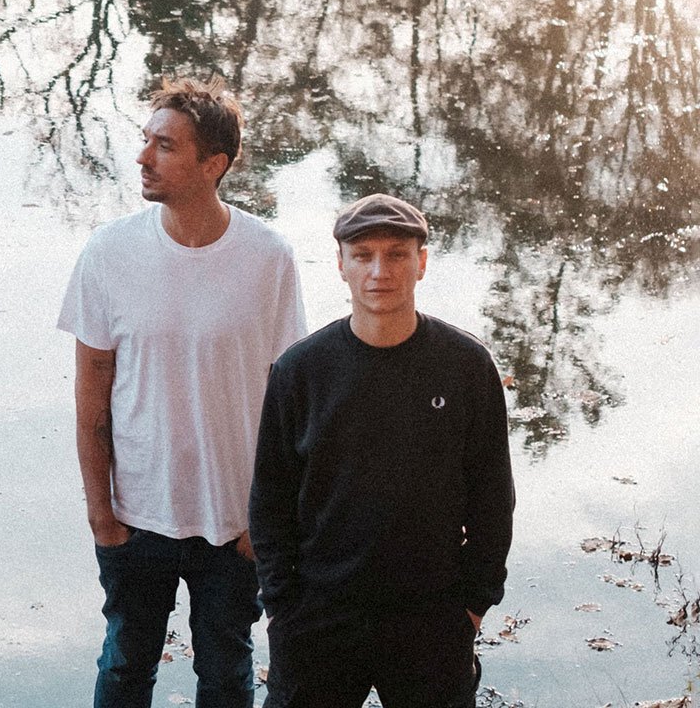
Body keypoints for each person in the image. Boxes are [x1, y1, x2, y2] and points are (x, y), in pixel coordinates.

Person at [59, 76, 307, 708]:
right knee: (124, 668)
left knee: (226, 673)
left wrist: (266, 518)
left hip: (234, 521)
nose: (143, 158)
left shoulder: (268, 257)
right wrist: (99, 513)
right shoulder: (109, 252)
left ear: (213, 164)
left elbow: (290, 403)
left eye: (165, 146)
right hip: (136, 515)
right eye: (146, 141)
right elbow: (91, 392)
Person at [249, 194, 515, 708]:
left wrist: (474, 602)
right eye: (363, 254)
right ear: (341, 265)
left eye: (396, 254)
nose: (379, 270)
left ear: (421, 263)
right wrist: (283, 604)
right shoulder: (301, 371)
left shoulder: (466, 367)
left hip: (431, 617)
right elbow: (270, 500)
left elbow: (492, 498)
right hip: (320, 616)